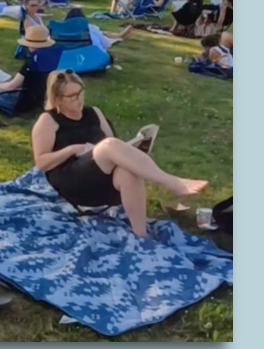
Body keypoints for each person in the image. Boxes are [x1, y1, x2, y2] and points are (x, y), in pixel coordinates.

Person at [29, 70, 208, 238]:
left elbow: (114, 146)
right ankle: (173, 182)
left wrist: (135, 149)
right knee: (109, 145)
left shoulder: (94, 113)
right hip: (71, 180)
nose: (78, 99)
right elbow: (41, 163)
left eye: (80, 92)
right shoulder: (48, 120)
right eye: (72, 96)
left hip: (100, 177)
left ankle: (141, 234)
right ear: (57, 98)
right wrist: (73, 149)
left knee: (127, 170)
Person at [0, 24, 63, 114]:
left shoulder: (32, 62)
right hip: (38, 97)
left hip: (20, 100)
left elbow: (12, 86)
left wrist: (0, 86)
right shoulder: (55, 57)